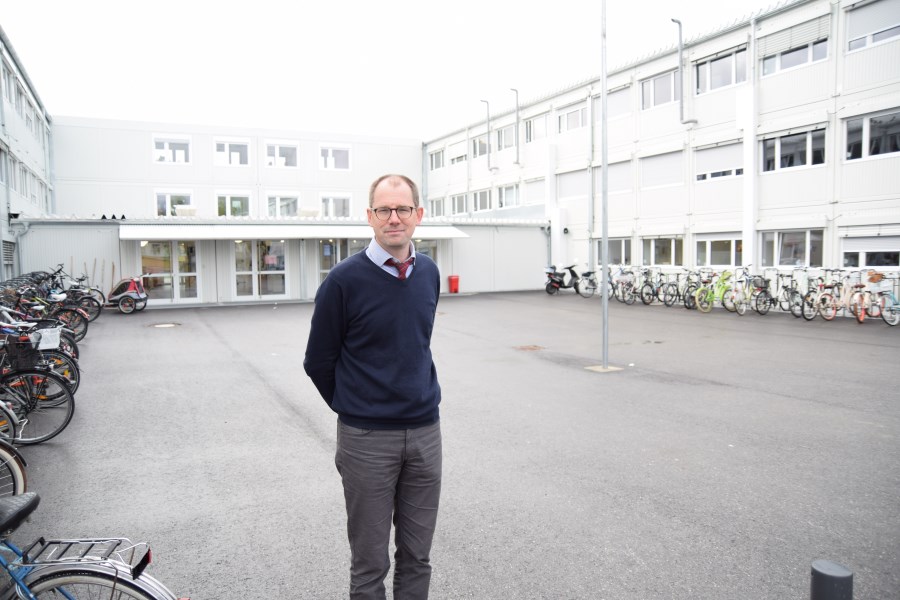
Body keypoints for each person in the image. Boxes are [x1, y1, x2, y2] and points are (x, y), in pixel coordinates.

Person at [303, 174, 442, 600]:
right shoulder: (344, 282)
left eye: (403, 209)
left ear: (418, 215)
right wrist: (356, 406)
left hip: (425, 433)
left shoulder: (429, 274)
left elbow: (417, 345)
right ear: (370, 217)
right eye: (384, 209)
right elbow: (318, 361)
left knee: (418, 557)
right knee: (369, 563)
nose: (394, 218)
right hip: (366, 440)